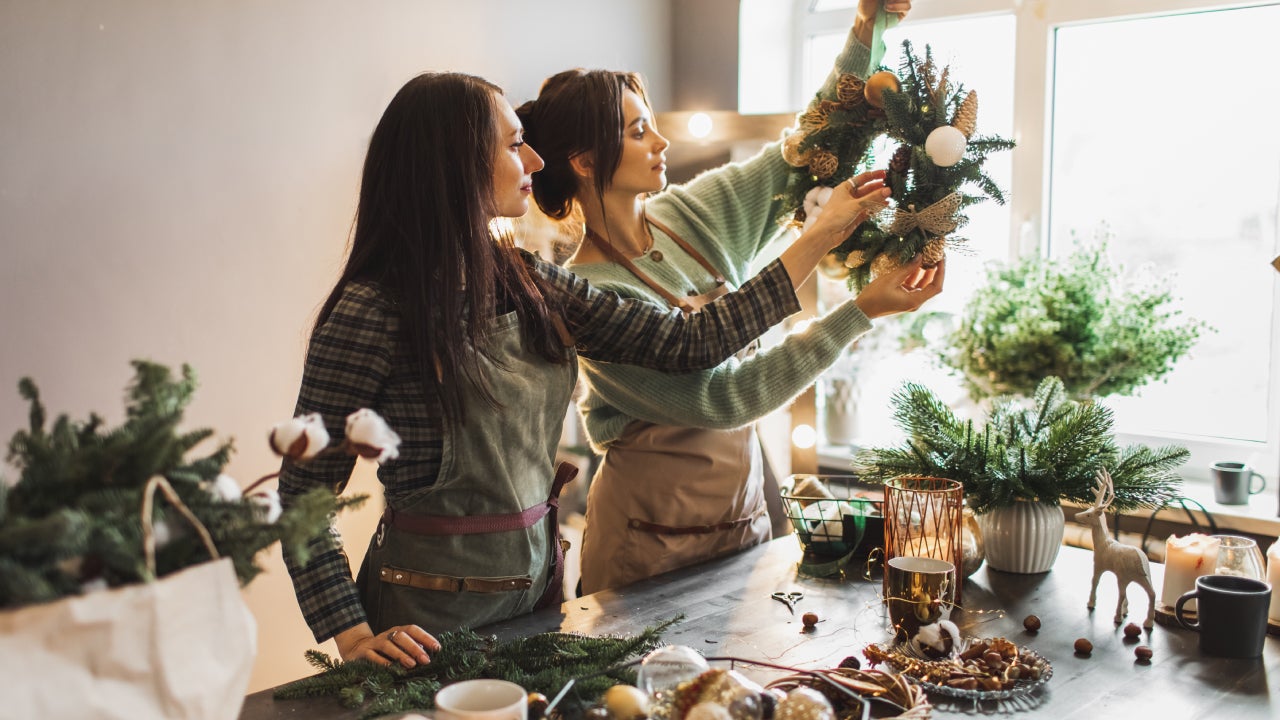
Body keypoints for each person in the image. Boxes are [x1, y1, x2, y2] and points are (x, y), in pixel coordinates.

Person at [277, 70, 918, 669]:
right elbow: (303, 494)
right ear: (455, 163)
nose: (533, 161)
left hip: (540, 601)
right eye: (513, 146)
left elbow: (689, 344)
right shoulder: (371, 310)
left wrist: (830, 258)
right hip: (423, 621)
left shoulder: (529, 281)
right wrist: (354, 633)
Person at [517, 0, 936, 595]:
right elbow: (728, 399)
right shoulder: (591, 296)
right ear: (585, 162)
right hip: (642, 548)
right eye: (638, 132)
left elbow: (802, 152)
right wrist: (858, 310)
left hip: (743, 524)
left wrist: (869, 27)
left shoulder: (691, 215)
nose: (660, 141)